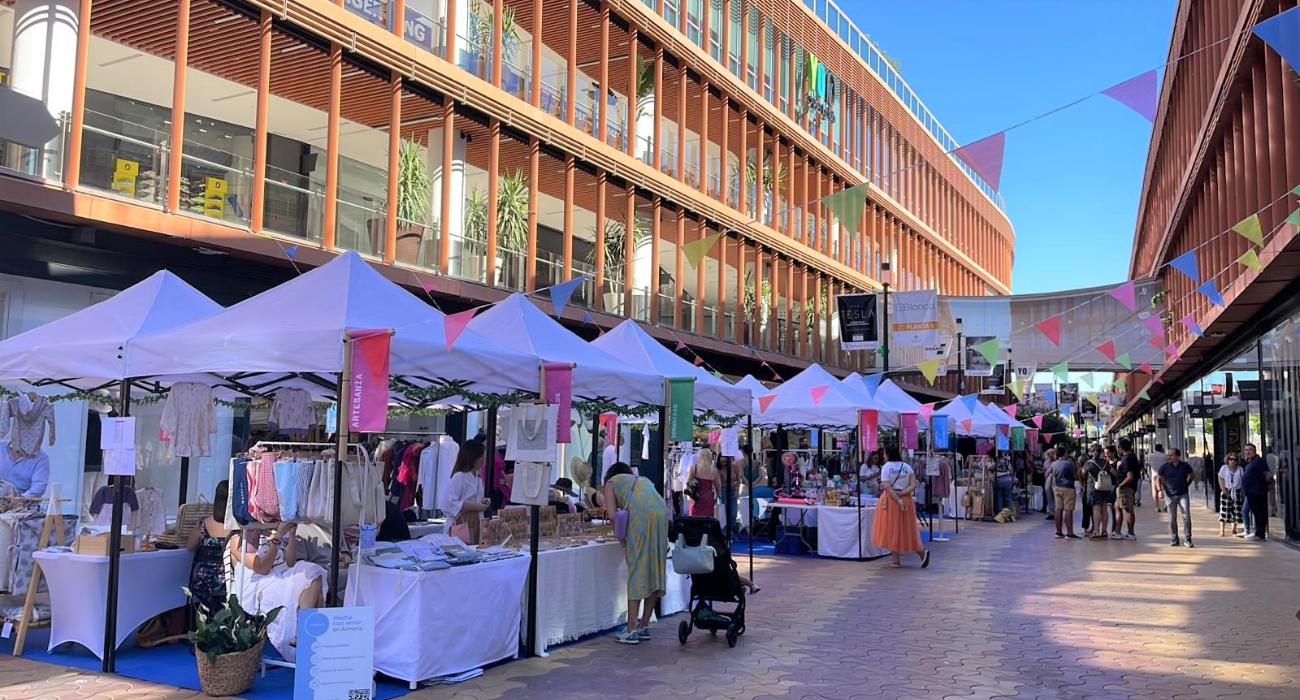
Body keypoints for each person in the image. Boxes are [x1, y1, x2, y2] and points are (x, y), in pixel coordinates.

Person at [227, 522, 327, 661]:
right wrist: (277, 537)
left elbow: (290, 562)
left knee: (312, 572)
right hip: (259, 583)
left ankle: (306, 633)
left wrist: (291, 535)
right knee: (309, 586)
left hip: (282, 574)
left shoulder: (269, 534)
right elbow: (262, 568)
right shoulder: (238, 541)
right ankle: (308, 638)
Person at [601, 462, 669, 645]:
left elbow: (613, 516)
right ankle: (643, 625)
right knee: (654, 568)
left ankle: (631, 629)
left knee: (638, 570)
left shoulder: (611, 483)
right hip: (661, 514)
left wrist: (623, 541)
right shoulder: (642, 479)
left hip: (641, 517)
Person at [871, 447, 930, 569]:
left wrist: (897, 499)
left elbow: (887, 487)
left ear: (887, 454)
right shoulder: (907, 466)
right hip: (906, 499)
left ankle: (896, 560)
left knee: (892, 529)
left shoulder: (886, 467)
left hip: (890, 500)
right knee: (906, 529)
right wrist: (903, 494)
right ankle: (921, 552)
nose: (883, 456)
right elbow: (913, 484)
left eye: (884, 453)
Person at [186, 481, 231, 614]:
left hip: (202, 580)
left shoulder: (203, 525)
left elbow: (190, 546)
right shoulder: (237, 528)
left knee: (201, 617)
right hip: (226, 580)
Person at [443, 440, 490, 544]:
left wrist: (482, 502)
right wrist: (475, 506)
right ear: (474, 457)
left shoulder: (477, 477)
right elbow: (448, 504)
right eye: (482, 456)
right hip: (461, 523)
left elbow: (474, 499)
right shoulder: (459, 477)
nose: (484, 459)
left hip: (474, 522)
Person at [1155, 448, 1196, 547]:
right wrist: (1160, 490)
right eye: (1168, 455)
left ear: (1177, 456)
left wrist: (1187, 484)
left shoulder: (1185, 466)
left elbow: (1192, 475)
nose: (1169, 457)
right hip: (1170, 495)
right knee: (1172, 518)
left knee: (1186, 516)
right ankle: (1174, 538)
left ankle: (1188, 538)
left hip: (1183, 494)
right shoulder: (1164, 467)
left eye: (1171, 455)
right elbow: (1158, 478)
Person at [1240, 443, 1272, 541]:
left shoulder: (1259, 461)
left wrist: (1266, 486)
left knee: (1259, 513)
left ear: (1254, 450)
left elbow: (1268, 474)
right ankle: (1258, 533)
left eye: (1250, 450)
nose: (1247, 452)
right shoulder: (1249, 462)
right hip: (1250, 492)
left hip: (1257, 491)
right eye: (1246, 450)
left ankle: (1260, 534)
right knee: (1255, 513)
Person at [1083, 446, 1115, 540]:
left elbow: (1083, 473)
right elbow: (1113, 472)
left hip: (1094, 488)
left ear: (1092, 452)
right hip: (1105, 488)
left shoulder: (1089, 463)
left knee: (1096, 509)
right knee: (1104, 509)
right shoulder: (1106, 462)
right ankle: (1104, 531)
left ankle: (1096, 531)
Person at [1112, 437, 1142, 540]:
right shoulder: (1132, 457)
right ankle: (1118, 531)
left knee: (1128, 509)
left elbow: (1130, 476)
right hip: (1128, 488)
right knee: (1117, 507)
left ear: (1121, 448)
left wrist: (1121, 485)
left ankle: (1130, 533)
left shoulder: (1126, 459)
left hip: (1125, 488)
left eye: (1118, 447)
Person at [1048, 449, 1080, 539]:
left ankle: (1058, 532)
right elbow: (1075, 477)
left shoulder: (1054, 464)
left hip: (1057, 487)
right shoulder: (1068, 463)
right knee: (1068, 510)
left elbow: (1052, 473)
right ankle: (1069, 533)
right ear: (1064, 454)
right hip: (1068, 487)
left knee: (1058, 510)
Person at [688, 447, 720, 518]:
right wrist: (717, 497)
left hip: (696, 497)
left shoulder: (694, 468)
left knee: (694, 519)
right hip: (708, 498)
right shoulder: (714, 471)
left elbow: (689, 483)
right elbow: (718, 487)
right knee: (707, 520)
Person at [1217, 453, 1243, 537]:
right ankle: (1222, 530)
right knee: (1224, 510)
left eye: (1235, 459)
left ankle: (1234, 529)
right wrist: (1223, 489)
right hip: (1226, 491)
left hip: (1237, 491)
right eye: (1231, 459)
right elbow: (1220, 478)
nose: (1233, 461)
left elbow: (1242, 480)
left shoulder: (1240, 469)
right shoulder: (1224, 468)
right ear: (1227, 460)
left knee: (1236, 510)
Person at [1147, 443, 1168, 514]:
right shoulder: (1165, 456)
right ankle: (1166, 505)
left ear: (1155, 449)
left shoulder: (1150, 455)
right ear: (1161, 448)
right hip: (1164, 474)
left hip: (1154, 474)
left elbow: (1149, 464)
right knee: (1165, 489)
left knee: (1154, 490)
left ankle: (1157, 506)